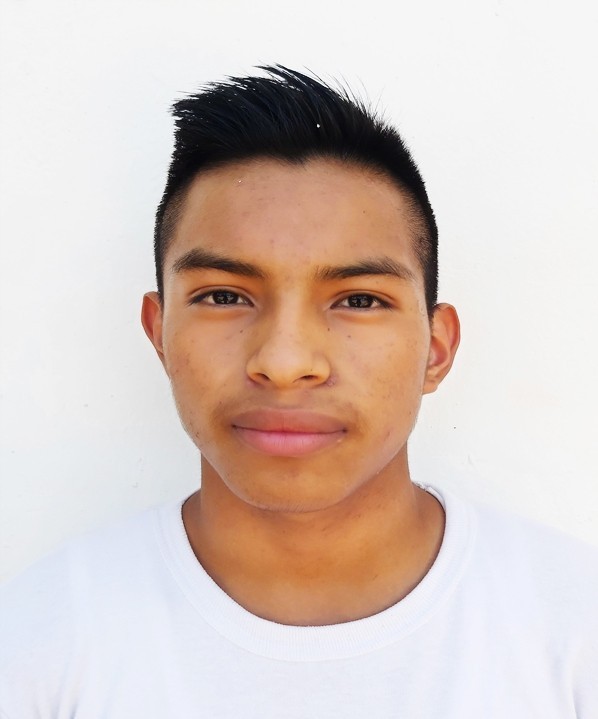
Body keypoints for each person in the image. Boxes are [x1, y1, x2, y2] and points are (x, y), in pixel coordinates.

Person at [1, 65, 596, 717]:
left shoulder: (573, 631)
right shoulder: (38, 643)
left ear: (436, 347)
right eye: (223, 296)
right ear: (160, 333)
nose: (284, 363)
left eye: (359, 300)